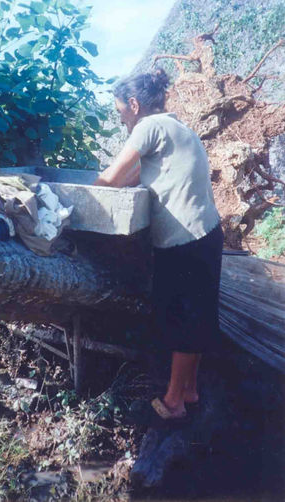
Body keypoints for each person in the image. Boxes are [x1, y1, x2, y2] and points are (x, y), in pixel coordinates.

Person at [94, 70, 224, 421]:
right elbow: (141, 177)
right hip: (205, 236)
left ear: (134, 105)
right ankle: (190, 391)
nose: (120, 116)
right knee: (196, 316)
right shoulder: (178, 128)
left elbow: (111, 179)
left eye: (120, 109)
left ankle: (172, 402)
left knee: (182, 318)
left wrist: (82, 200)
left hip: (185, 241)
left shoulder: (147, 127)